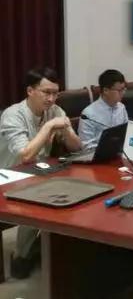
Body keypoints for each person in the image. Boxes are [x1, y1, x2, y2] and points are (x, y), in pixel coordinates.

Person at [0, 67, 83, 278]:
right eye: (46, 92)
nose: (51, 99)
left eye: (55, 93)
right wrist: (49, 127)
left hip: (38, 172)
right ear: (30, 91)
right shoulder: (13, 115)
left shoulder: (55, 110)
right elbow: (25, 155)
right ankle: (21, 257)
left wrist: (67, 130)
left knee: (73, 191)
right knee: (37, 202)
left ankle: (53, 247)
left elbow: (76, 147)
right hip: (9, 175)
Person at [78, 69, 129, 150]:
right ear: (106, 90)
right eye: (120, 90)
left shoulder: (121, 107)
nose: (123, 93)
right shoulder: (88, 114)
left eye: (124, 89)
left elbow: (127, 132)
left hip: (120, 151)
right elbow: (86, 146)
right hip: (98, 154)